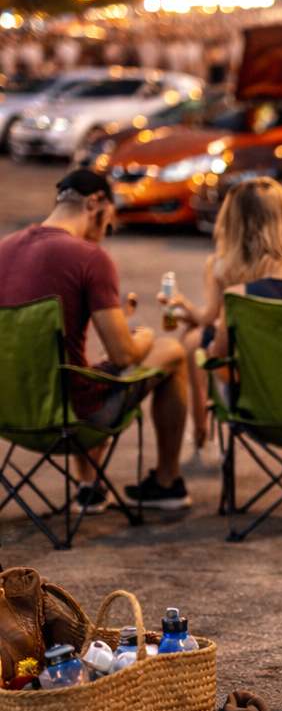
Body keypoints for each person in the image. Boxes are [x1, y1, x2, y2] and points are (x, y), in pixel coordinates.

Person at [0, 170, 191, 512]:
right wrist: (142, 339)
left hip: (10, 416)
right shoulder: (89, 258)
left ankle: (90, 487)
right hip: (75, 422)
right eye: (108, 225)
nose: (104, 236)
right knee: (171, 351)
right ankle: (167, 483)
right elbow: (122, 356)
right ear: (95, 204)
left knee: (80, 366)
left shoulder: (3, 249)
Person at [167, 178, 282, 441]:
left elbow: (212, 319)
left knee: (191, 341)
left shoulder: (220, 266)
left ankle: (200, 429)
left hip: (245, 378)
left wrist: (187, 311)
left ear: (232, 223)